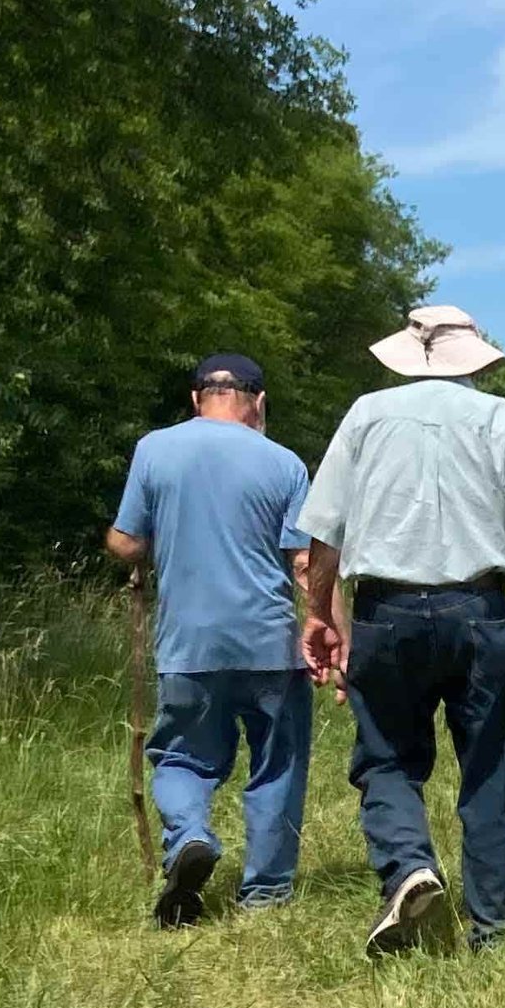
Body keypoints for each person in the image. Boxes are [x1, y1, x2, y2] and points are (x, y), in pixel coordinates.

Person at [296, 302, 505, 959]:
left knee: (386, 755)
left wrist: (322, 611)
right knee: (489, 767)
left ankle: (409, 866)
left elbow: (324, 530)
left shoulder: (365, 415)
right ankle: (494, 931)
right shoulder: (503, 418)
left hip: (387, 610)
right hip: (479, 610)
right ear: (471, 359)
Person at [104, 351, 314, 928]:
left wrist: (149, 547)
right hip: (271, 643)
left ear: (196, 398)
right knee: (277, 763)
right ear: (259, 403)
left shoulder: (155, 449)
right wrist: (327, 628)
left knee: (182, 757)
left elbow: (125, 542)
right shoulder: (287, 464)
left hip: (188, 644)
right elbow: (303, 561)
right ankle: (266, 893)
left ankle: (191, 838)